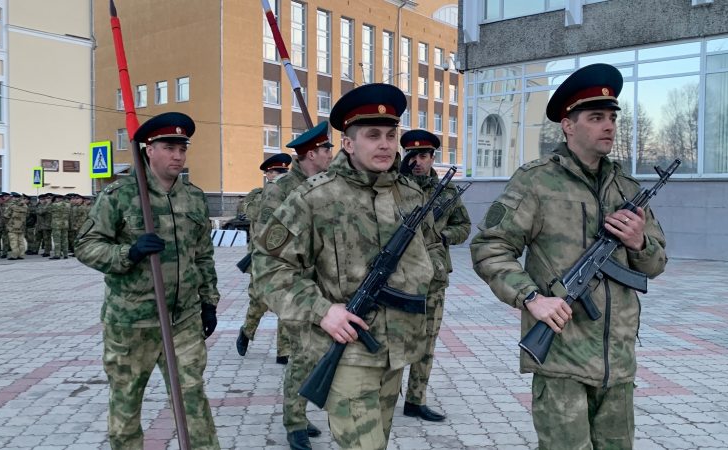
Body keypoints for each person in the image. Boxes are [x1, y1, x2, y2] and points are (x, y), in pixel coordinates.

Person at [470, 64, 669, 449]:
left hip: (618, 363)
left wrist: (639, 243)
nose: (608, 126)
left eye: (612, 117)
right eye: (596, 118)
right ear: (568, 125)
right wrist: (532, 298)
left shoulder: (626, 188)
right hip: (562, 359)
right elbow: (489, 247)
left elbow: (656, 264)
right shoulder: (535, 181)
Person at [253, 83, 447, 450]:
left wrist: (427, 272)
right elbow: (268, 268)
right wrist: (322, 310)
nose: (386, 144)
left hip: (397, 351)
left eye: (391, 135)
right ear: (348, 143)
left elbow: (432, 248)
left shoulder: (410, 195)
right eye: (372, 135)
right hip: (346, 350)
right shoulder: (315, 197)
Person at [75, 112, 221, 450]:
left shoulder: (194, 198)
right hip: (132, 323)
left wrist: (209, 301)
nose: (178, 156)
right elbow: (86, 246)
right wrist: (130, 252)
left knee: (192, 400)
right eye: (169, 148)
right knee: (126, 404)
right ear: (148, 149)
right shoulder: (120, 195)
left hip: (183, 319)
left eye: (182, 148)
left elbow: (203, 255)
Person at [250, 121, 334, 450]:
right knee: (302, 353)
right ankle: (294, 422)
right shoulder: (281, 189)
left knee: (316, 352)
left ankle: (301, 413)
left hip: (325, 283)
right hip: (296, 282)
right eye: (327, 149)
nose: (332, 154)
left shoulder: (325, 184)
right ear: (312, 153)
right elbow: (268, 240)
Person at [398, 130, 472, 422]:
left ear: (432, 158)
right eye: (412, 156)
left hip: (435, 276)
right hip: (399, 277)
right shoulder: (394, 188)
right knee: (395, 338)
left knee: (427, 340)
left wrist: (441, 235)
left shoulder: (448, 191)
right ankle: (382, 395)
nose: (418, 161)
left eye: (424, 156)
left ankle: (416, 400)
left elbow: (464, 226)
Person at [237, 152, 293, 361]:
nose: (276, 177)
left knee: (285, 303)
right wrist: (262, 195)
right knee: (258, 302)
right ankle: (246, 332)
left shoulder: (290, 193)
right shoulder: (259, 195)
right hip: (260, 258)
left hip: (285, 257)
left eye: (280, 174)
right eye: (274, 174)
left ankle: (284, 351)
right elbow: (254, 214)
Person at [3, 192, 28, 260]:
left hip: (12, 226)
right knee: (21, 241)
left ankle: (14, 255)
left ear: (13, 197)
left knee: (14, 241)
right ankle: (21, 255)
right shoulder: (25, 206)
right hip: (22, 226)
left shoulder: (12, 205)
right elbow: (27, 215)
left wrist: (7, 223)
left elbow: (6, 215)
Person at [47, 194, 70, 260]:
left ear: (56, 198)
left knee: (57, 240)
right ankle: (66, 254)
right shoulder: (68, 205)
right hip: (65, 224)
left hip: (56, 225)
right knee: (65, 240)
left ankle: (57, 254)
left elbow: (46, 208)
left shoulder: (55, 205)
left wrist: (51, 201)